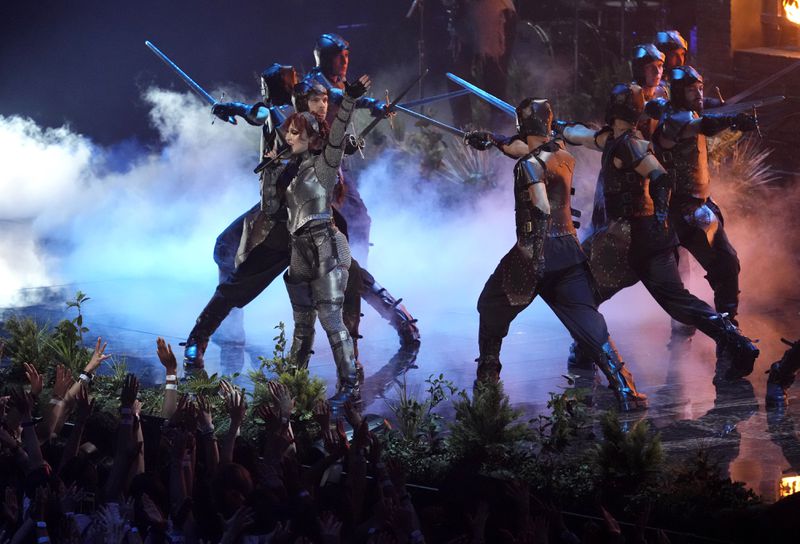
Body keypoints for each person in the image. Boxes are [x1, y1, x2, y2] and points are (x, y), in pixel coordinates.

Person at [555, 83, 759, 383]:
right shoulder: (617, 139)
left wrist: (662, 213)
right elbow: (578, 134)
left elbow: (660, 177)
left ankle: (587, 352)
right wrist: (558, 128)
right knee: (678, 300)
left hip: (625, 240)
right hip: (650, 238)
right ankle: (734, 340)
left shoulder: (627, 143)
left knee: (580, 292)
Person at [471, 98, 648, 411]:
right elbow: (531, 151)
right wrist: (495, 141)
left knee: (490, 304)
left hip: (532, 254)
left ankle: (487, 376)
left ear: (523, 126)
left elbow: (539, 202)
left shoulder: (529, 165)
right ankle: (625, 386)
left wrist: (536, 247)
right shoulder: (564, 155)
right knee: (588, 321)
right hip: (568, 250)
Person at [278, 74, 371, 405]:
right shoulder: (294, 171)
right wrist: (272, 172)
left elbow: (338, 133)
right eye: (289, 131)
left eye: (294, 132)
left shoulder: (325, 164)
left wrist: (349, 100)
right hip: (299, 248)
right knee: (302, 326)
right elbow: (272, 208)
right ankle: (290, 384)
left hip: (326, 245)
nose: (288, 136)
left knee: (332, 320)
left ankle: (349, 384)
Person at [650, 66, 757, 326]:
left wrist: (730, 109)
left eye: (700, 88)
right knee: (680, 276)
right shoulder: (675, 119)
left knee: (727, 264)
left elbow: (706, 107)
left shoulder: (688, 108)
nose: (698, 94)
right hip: (678, 209)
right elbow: (702, 125)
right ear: (677, 92)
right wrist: (731, 120)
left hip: (698, 203)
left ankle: (728, 331)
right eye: (691, 89)